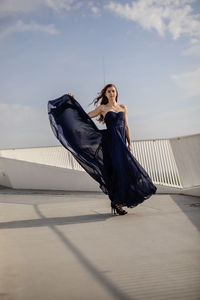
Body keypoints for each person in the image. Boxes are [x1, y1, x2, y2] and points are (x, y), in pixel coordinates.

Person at [48, 84, 157, 216]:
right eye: (108, 91)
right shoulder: (102, 108)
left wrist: (130, 143)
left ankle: (119, 201)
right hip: (111, 143)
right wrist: (72, 104)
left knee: (128, 170)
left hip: (122, 143)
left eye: (113, 91)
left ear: (116, 93)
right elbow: (85, 117)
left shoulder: (123, 107)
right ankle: (118, 203)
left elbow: (127, 127)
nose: (111, 93)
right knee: (117, 171)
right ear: (105, 94)